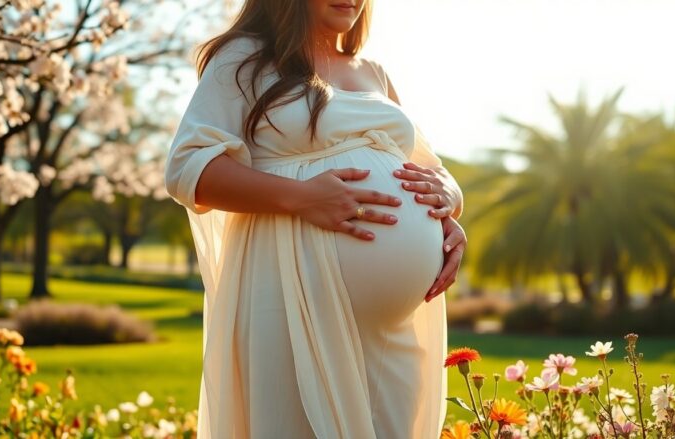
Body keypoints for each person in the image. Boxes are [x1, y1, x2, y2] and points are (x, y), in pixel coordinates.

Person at [163, 0, 467, 437]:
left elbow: (427, 167)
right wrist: (302, 197)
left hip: (394, 328)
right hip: (292, 294)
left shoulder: (374, 72)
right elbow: (189, 169)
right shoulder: (244, 58)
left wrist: (448, 208)